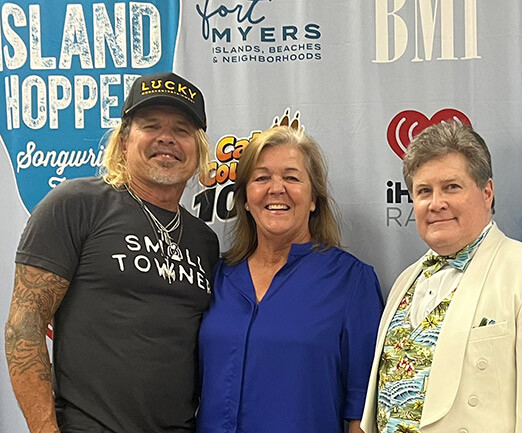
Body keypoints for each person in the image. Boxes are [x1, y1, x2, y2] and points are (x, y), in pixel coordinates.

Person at [4, 72, 219, 432]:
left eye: (182, 130)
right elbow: (24, 324)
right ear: (123, 141)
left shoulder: (204, 241)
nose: (167, 138)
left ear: (198, 149)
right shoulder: (76, 205)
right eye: (151, 125)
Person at [360, 121, 522, 432]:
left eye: (451, 187)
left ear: (487, 192)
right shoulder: (405, 280)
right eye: (424, 191)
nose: (436, 203)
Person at [196, 125, 384, 433]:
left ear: (313, 199)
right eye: (262, 177)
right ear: (244, 198)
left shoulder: (351, 282)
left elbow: (362, 412)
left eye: (292, 177)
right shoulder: (218, 277)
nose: (276, 188)